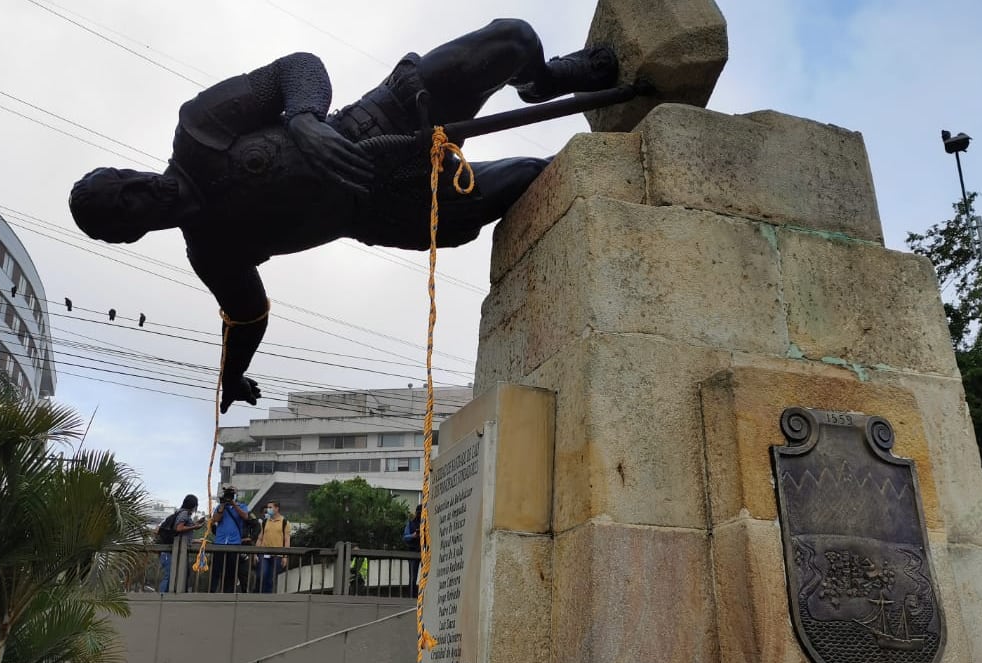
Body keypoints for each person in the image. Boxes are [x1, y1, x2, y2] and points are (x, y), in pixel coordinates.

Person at [68, 20, 617, 413]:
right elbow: (247, 316)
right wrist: (231, 378)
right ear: (130, 234)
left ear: (127, 173)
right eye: (125, 214)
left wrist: (305, 120)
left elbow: (296, 68)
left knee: (513, 41)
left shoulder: (199, 131)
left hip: (382, 115)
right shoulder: (212, 248)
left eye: (125, 188)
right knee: (541, 178)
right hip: (389, 208)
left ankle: (545, 80)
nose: (139, 198)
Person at [158, 494, 204, 593]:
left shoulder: (181, 513)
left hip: (176, 549)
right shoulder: (184, 514)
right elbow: (179, 528)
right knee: (169, 575)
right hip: (171, 551)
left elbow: (183, 535)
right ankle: (161, 597)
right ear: (193, 505)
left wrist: (196, 539)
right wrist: (194, 527)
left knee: (177, 574)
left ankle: (169, 595)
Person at [209, 485, 250, 592]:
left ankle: (228, 594)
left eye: (232, 493)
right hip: (220, 542)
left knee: (231, 572)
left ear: (236, 494)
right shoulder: (220, 507)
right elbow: (215, 519)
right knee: (216, 570)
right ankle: (212, 593)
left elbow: (245, 516)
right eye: (229, 493)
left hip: (234, 543)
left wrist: (233, 504)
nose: (230, 496)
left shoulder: (242, 506)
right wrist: (223, 504)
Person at [256, 500, 291, 593]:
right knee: (261, 574)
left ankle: (266, 598)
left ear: (276, 508)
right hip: (264, 554)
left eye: (270, 507)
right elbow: (260, 538)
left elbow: (287, 540)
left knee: (270, 578)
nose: (268, 509)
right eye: (268, 507)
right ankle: (258, 593)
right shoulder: (265, 521)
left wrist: (285, 556)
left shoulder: (285, 522)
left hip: (278, 555)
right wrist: (255, 553)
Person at [403, 504, 422, 597]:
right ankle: (412, 594)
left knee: (424, 576)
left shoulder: (426, 523)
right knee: (413, 576)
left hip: (423, 552)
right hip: (413, 551)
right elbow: (405, 537)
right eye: (419, 513)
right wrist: (413, 535)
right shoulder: (411, 523)